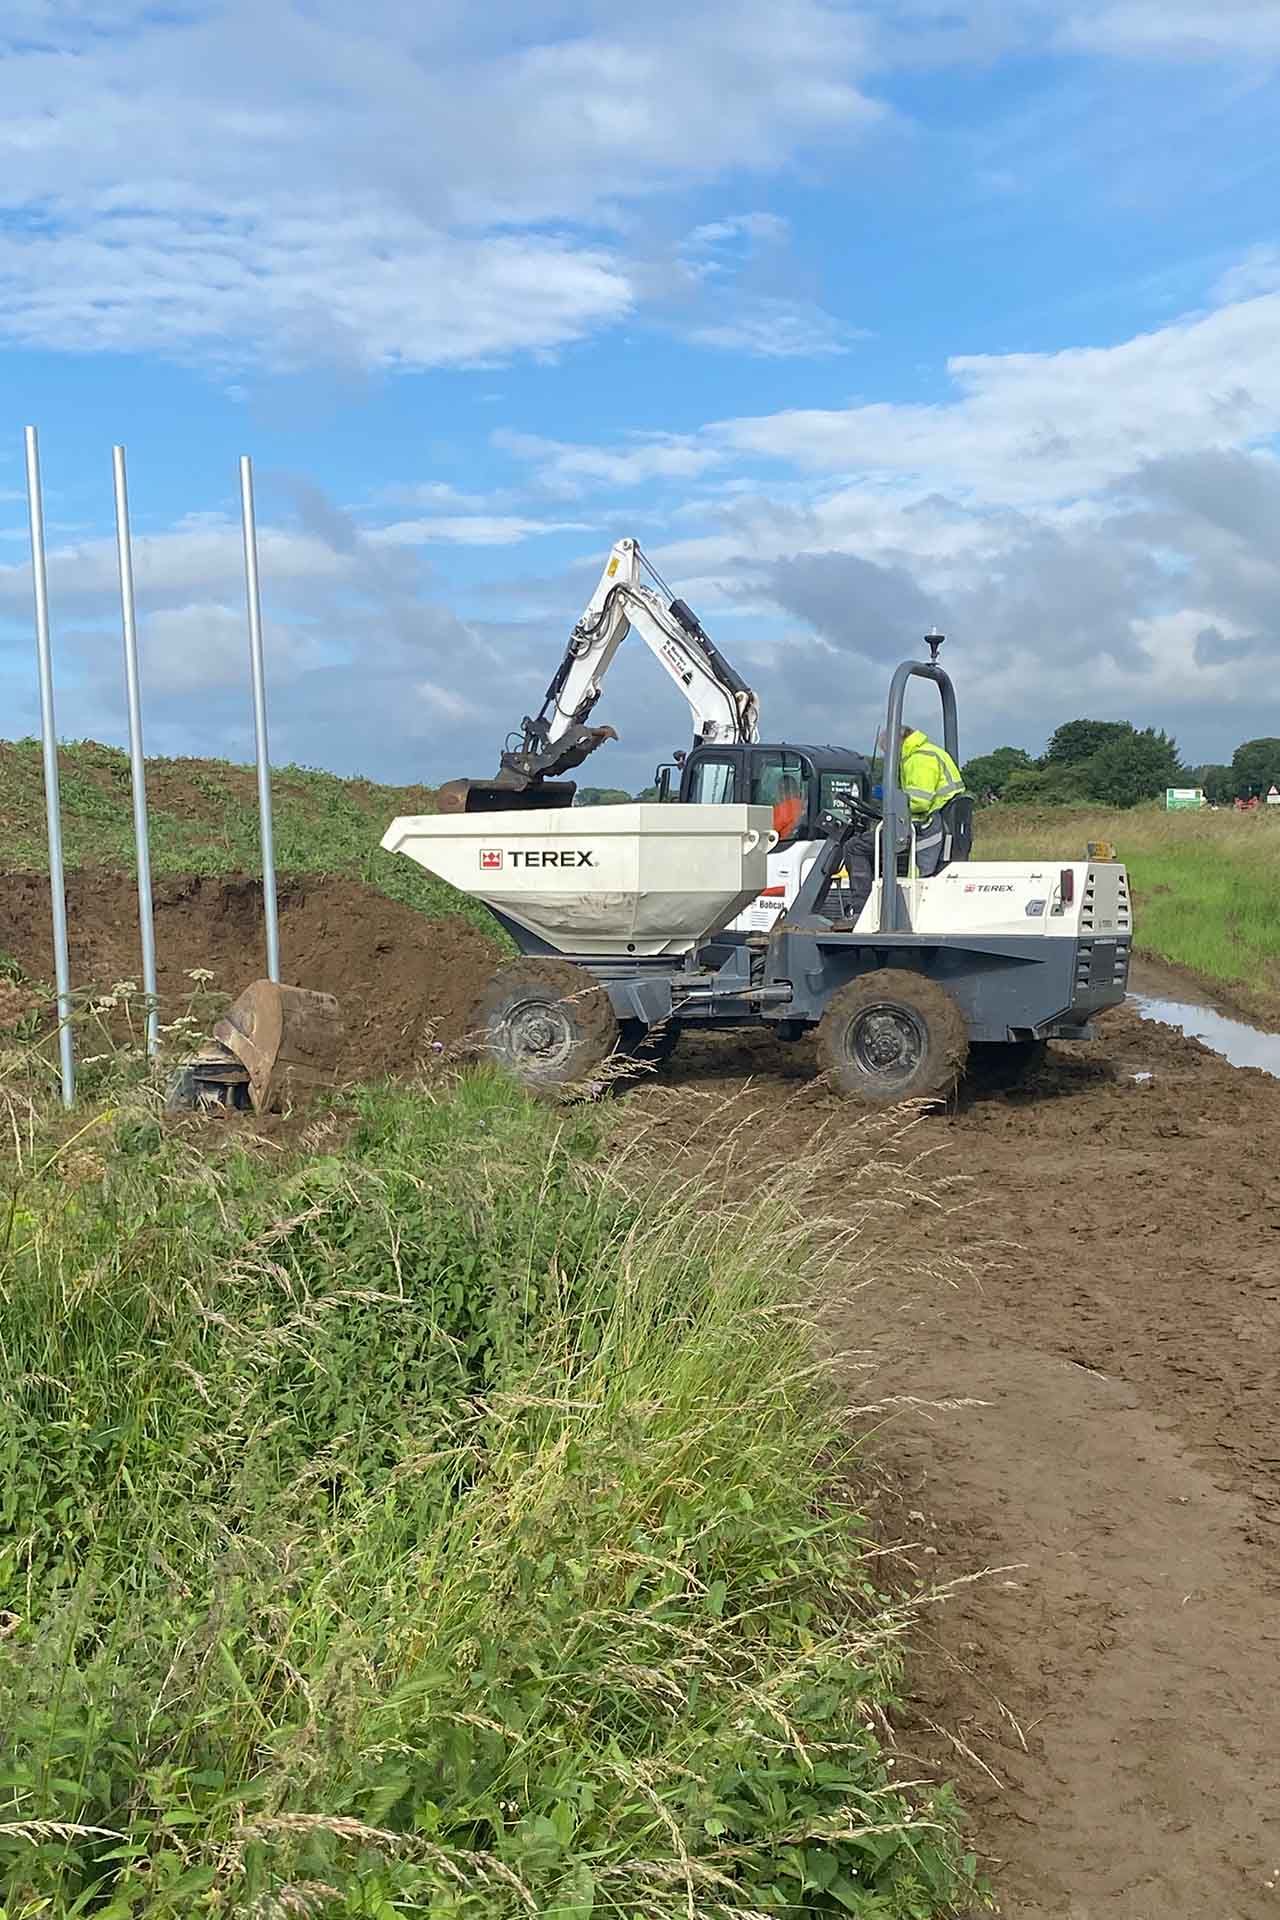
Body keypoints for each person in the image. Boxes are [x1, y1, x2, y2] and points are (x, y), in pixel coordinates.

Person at [840, 724, 964, 920]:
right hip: (927, 825)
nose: (889, 756)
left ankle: (862, 910)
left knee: (854, 847)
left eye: (888, 751)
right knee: (874, 844)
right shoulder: (927, 753)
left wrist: (889, 799)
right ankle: (878, 901)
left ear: (897, 743)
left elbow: (920, 802)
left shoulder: (919, 760)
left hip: (923, 828)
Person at [772, 774, 804, 841]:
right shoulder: (801, 805)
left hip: (782, 843)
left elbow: (769, 829)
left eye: (778, 789)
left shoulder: (785, 808)